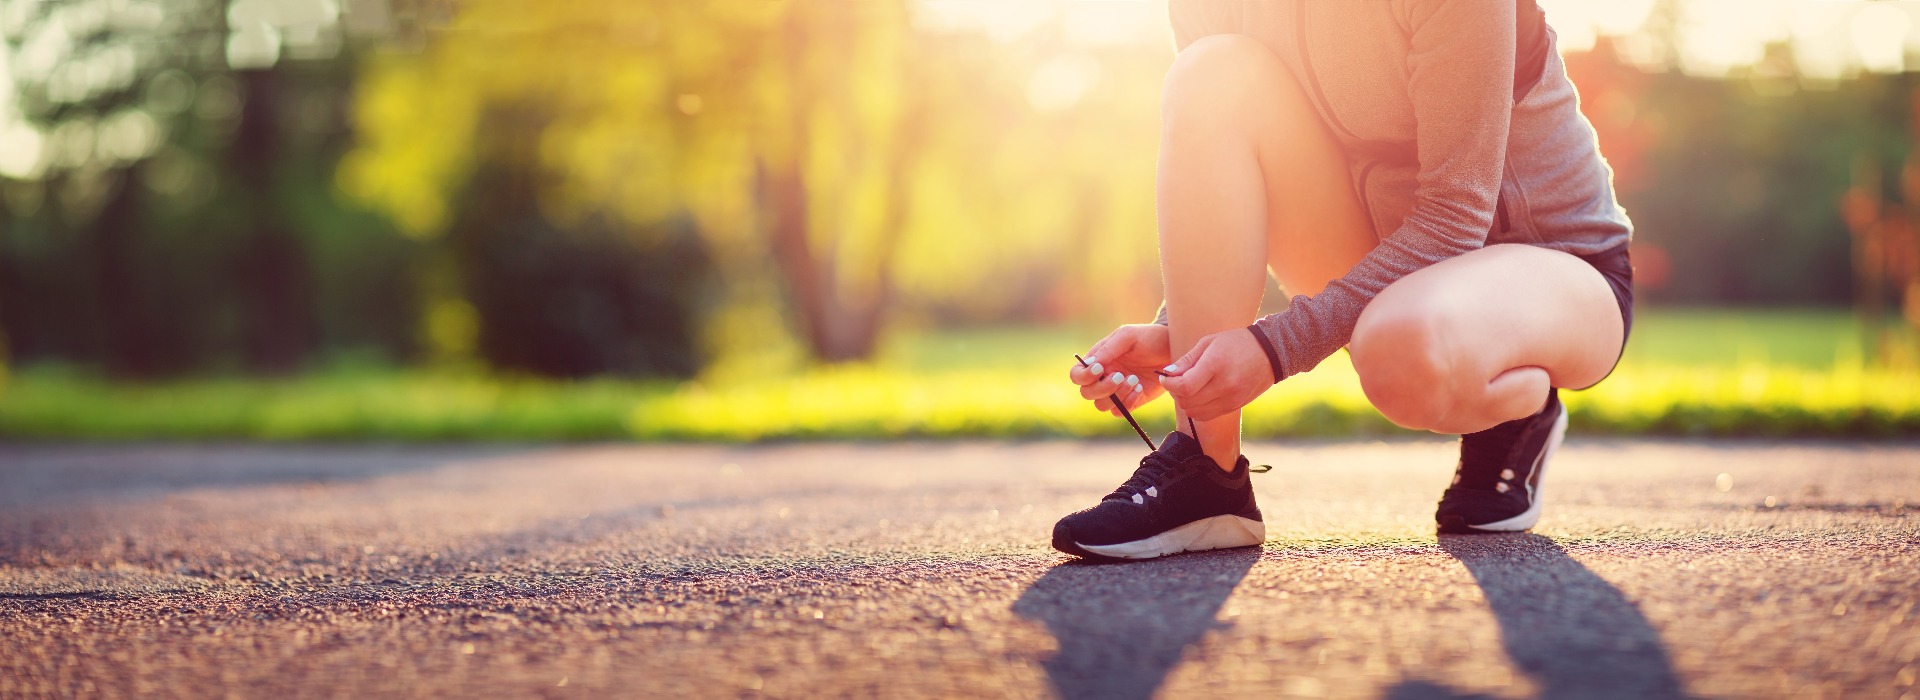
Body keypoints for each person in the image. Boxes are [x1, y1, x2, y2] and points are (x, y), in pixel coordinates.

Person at [1054, 0, 1634, 561]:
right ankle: (1206, 473)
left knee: (1401, 349)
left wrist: (1273, 349)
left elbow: (1454, 217)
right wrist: (1182, 336)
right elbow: (1236, 185)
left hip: (1557, 268)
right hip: (1390, 263)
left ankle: (1518, 404)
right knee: (1211, 72)